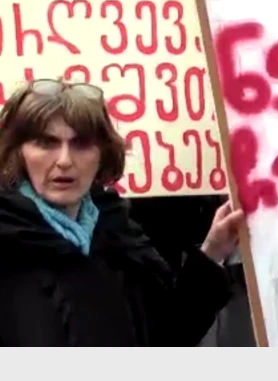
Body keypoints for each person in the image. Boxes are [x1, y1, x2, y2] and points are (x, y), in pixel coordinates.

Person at [0, 79, 244, 346]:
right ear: (19, 152)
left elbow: (166, 336)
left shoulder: (120, 235)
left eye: (81, 144)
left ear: (103, 154)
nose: (65, 160)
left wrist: (212, 252)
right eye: (47, 143)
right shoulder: (8, 244)